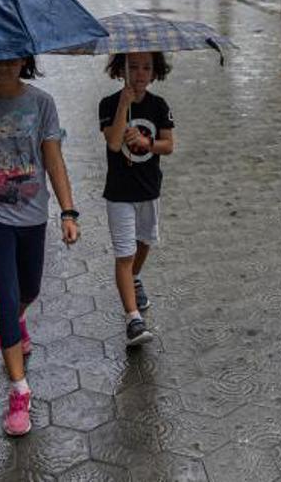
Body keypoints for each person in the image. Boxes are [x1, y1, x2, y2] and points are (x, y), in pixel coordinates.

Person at [0, 56, 80, 437]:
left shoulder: (42, 103)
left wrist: (68, 212)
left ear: (25, 58)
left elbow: (53, 160)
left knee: (29, 290)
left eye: (11, 57)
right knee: (5, 299)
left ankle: (17, 319)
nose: (4, 65)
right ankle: (19, 392)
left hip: (32, 214)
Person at [99, 53, 175, 346]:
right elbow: (115, 142)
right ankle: (133, 319)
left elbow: (168, 146)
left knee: (144, 242)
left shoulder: (159, 106)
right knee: (125, 253)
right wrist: (123, 106)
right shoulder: (108, 104)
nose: (140, 73)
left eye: (146, 68)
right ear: (121, 70)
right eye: (133, 67)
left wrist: (147, 143)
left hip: (148, 190)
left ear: (155, 73)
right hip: (119, 193)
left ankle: (134, 278)